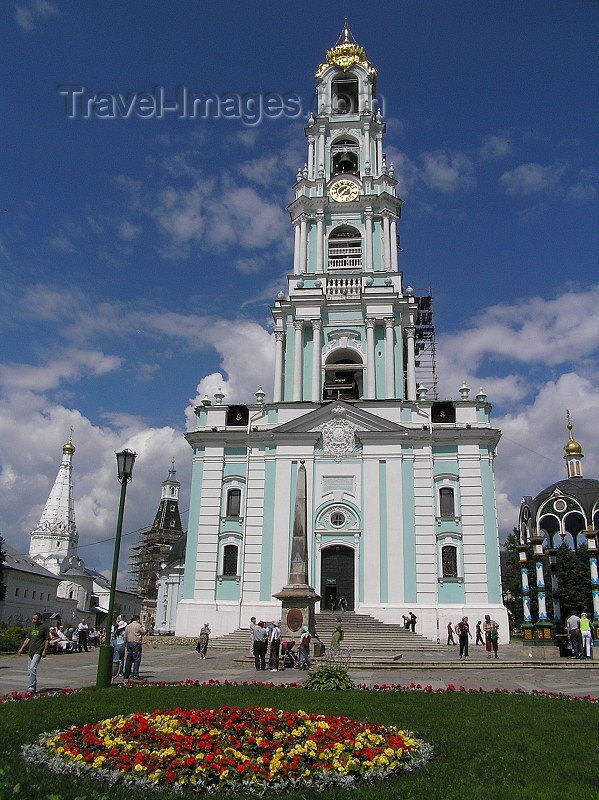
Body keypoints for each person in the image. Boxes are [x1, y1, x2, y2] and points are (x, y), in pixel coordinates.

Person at [17, 612, 50, 693]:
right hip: (31, 651)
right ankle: (33, 686)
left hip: (38, 651)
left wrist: (44, 651)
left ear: (39, 619)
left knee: (32, 668)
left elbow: (47, 640)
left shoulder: (44, 627)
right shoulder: (32, 628)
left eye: (35, 619)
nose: (33, 620)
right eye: (33, 619)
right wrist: (21, 648)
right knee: (30, 670)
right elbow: (28, 638)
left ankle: (31, 687)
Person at [123, 614, 147, 680]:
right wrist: (142, 626)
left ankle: (126, 673)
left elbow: (125, 636)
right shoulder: (138, 626)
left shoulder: (128, 626)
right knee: (137, 659)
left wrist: (125, 643)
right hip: (136, 643)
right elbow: (144, 632)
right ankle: (135, 673)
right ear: (138, 620)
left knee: (129, 659)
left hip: (129, 642)